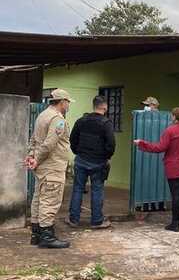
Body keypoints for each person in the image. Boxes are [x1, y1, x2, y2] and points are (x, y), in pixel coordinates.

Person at [133, 107, 179, 232]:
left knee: (177, 195)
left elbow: (160, 147)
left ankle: (175, 224)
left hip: (174, 168)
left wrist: (141, 143)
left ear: (173, 116)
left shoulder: (170, 131)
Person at [25, 89, 74, 248]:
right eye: (68, 102)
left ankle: (36, 233)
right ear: (62, 102)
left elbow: (34, 138)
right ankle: (47, 236)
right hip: (52, 166)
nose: (68, 105)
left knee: (39, 198)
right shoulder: (57, 119)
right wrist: (36, 159)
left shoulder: (42, 115)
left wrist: (31, 155)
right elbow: (49, 144)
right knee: (50, 200)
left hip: (42, 167)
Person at [67, 95, 115, 229]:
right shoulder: (106, 123)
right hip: (98, 162)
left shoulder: (81, 121)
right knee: (97, 190)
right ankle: (97, 221)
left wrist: (78, 152)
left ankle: (73, 219)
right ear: (105, 107)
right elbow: (111, 144)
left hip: (81, 160)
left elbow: (72, 139)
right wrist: (106, 157)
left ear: (94, 106)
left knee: (77, 189)